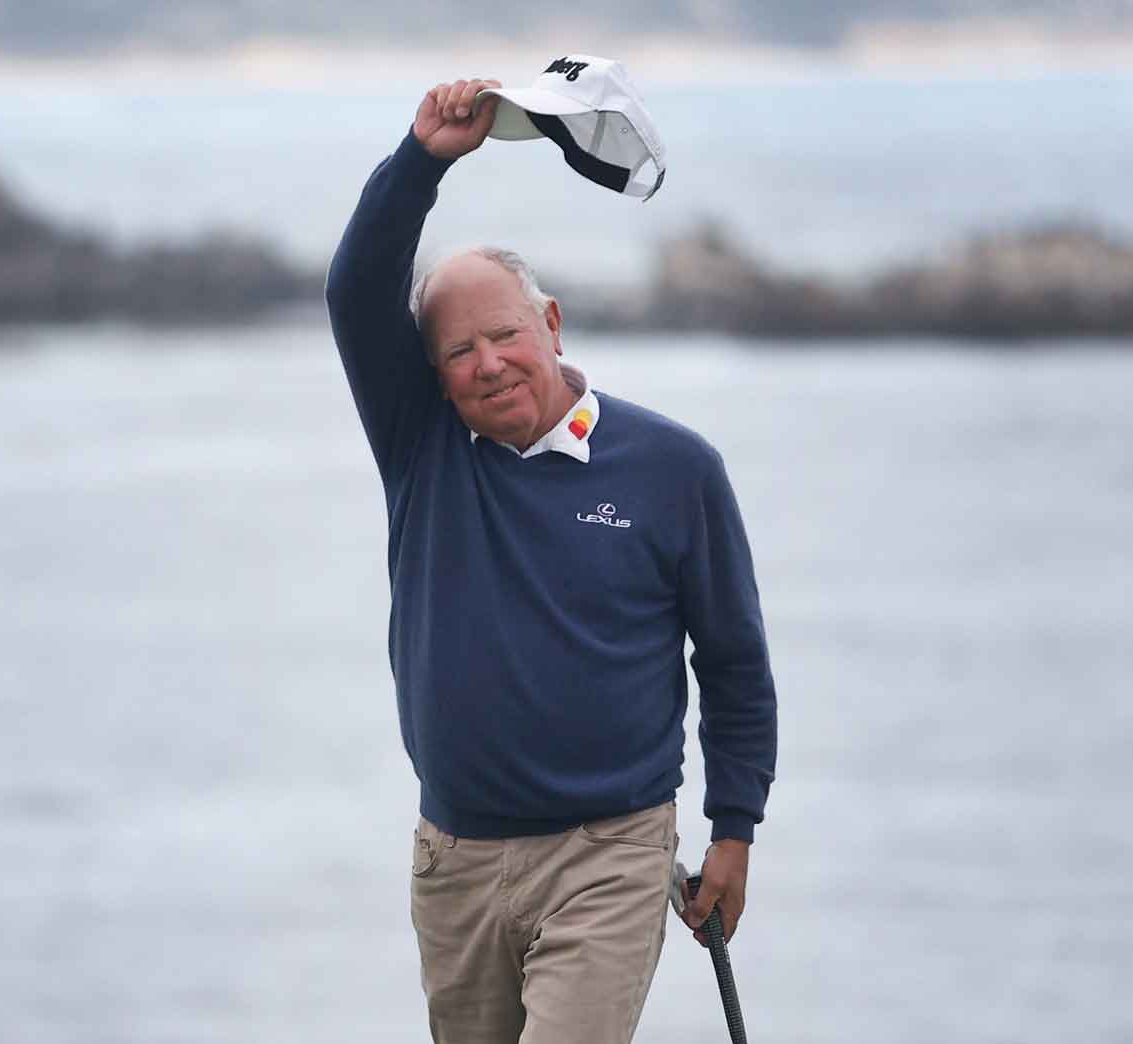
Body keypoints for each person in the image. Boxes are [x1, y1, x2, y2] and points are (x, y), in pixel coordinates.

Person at [324, 77, 778, 1044]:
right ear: (433, 377)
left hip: (608, 852)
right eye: (458, 352)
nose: (487, 364)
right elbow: (356, 288)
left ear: (553, 325)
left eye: (505, 335)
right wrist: (424, 158)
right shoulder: (423, 446)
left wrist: (733, 828)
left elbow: (733, 662)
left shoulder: (673, 468)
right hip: (456, 859)